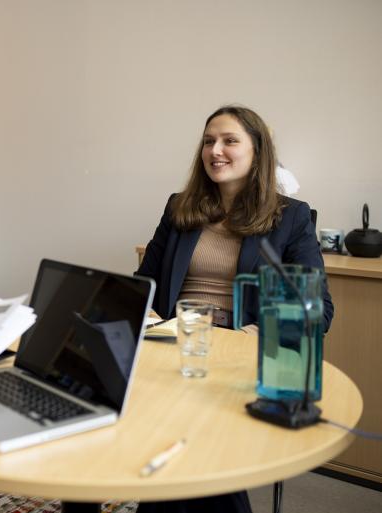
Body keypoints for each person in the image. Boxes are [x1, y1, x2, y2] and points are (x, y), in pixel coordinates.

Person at [134, 105, 333, 513]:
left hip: (237, 352)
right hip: (175, 343)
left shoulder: (290, 217)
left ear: (258, 152)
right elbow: (145, 283)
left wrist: (255, 335)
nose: (215, 150)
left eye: (229, 140)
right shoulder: (179, 207)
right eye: (209, 141)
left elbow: (318, 309)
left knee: (193, 439)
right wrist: (147, 313)